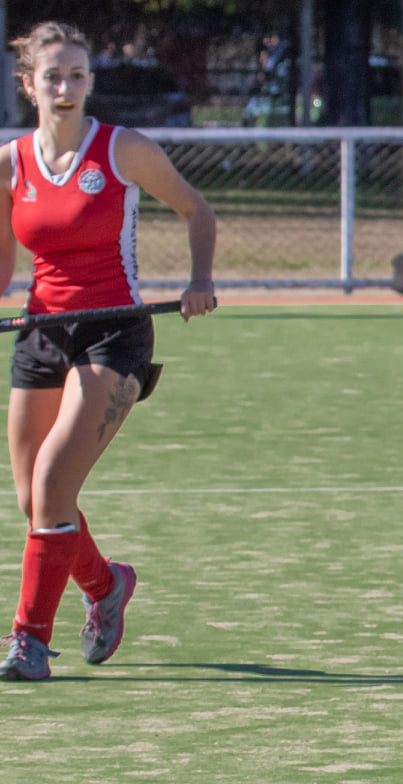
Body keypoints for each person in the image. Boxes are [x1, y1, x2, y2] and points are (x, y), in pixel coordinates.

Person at [1, 22, 216, 682]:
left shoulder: (123, 150)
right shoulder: (11, 163)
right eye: (53, 76)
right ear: (29, 85)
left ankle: (28, 643)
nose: (66, 88)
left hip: (114, 332)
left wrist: (199, 280)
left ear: (90, 82)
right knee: (34, 501)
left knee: (53, 483)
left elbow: (196, 210)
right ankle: (104, 586)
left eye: (78, 75)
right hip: (42, 330)